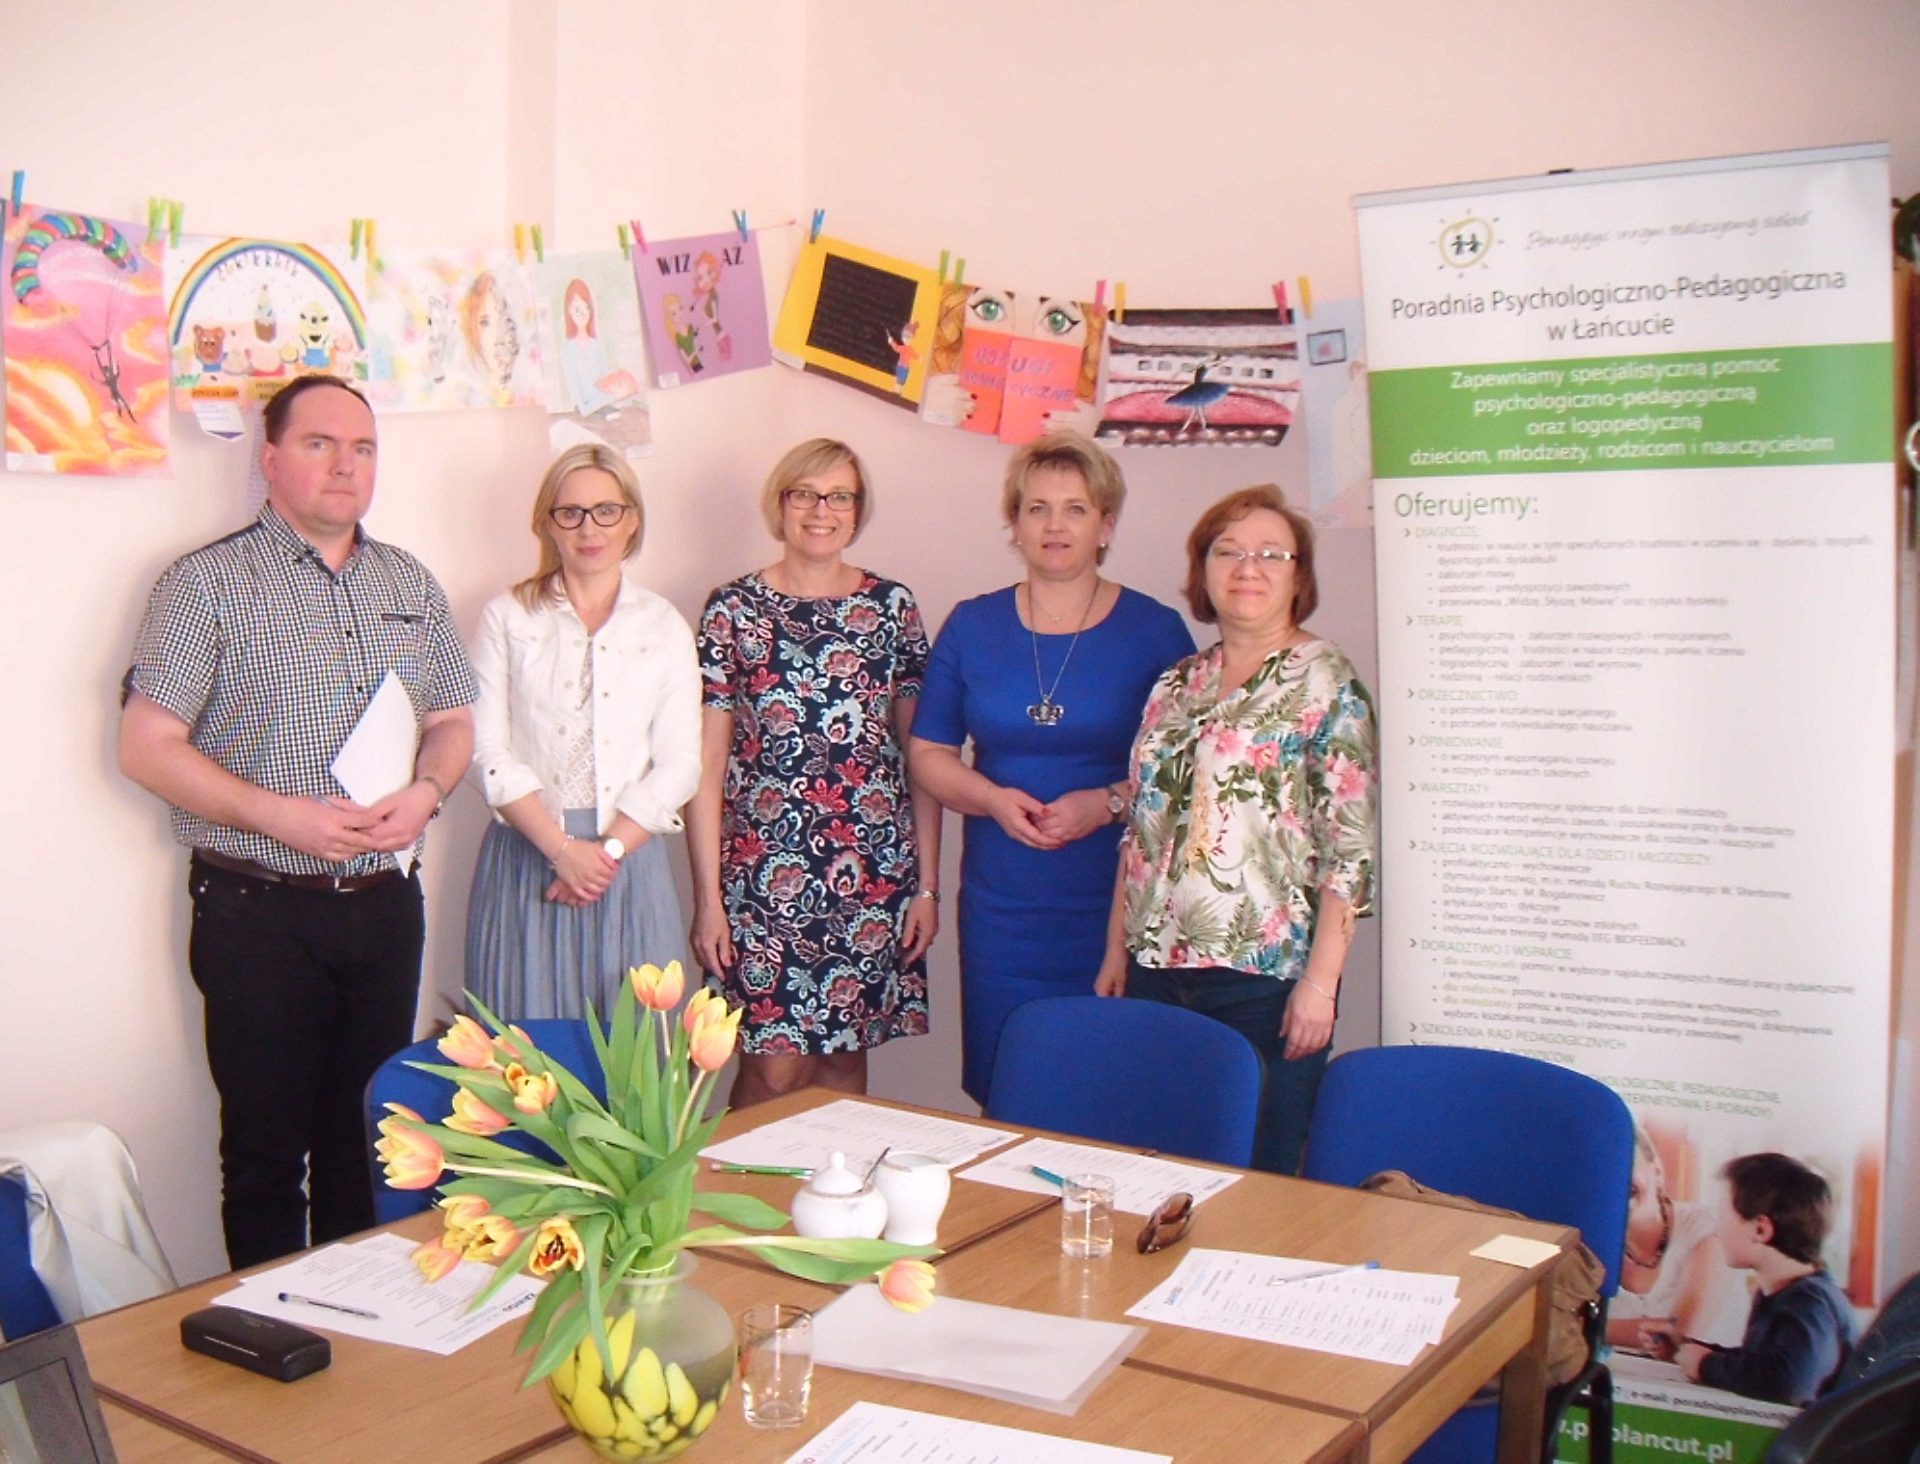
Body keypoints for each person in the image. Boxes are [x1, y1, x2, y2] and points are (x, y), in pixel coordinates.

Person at [118, 375, 476, 1268]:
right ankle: (271, 1340)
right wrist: (279, 816)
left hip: (384, 905)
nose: (345, 466)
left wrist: (428, 791)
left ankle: (360, 1330)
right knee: (266, 1158)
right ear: (270, 457)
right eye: (321, 444)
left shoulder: (408, 580)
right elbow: (146, 746)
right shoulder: (205, 583)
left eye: (363, 448)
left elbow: (452, 721)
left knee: (370, 1140)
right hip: (258, 911)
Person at [1095, 484, 1376, 1174]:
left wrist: (1322, 985)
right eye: (1228, 552)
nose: (1248, 568)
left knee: (1257, 1179)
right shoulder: (1176, 684)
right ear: (1203, 571)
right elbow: (1142, 830)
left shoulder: (1326, 682)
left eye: (1270, 554)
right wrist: (1115, 953)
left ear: (1299, 577)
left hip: (1264, 981)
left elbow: (1350, 850)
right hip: (1156, 972)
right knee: (1160, 1165)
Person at [909, 433, 1193, 1101]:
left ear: (1106, 525)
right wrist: (990, 798)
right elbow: (928, 754)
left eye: (1076, 509)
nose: (1055, 526)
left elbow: (1187, 773)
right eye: (1037, 508)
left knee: (1106, 1091)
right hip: (1002, 910)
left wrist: (1108, 802)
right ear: (1014, 522)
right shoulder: (972, 625)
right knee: (1008, 1087)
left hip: (1114, 909)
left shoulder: (1154, 630)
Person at [688, 439, 940, 1107]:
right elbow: (707, 765)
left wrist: (928, 889)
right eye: (804, 494)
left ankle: (833, 1180)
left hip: (872, 872)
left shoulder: (892, 608)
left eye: (839, 497)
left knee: (842, 1060)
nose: (820, 510)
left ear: (858, 510)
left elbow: (923, 758)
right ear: (780, 505)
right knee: (774, 1070)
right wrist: (709, 901)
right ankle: (742, 1181)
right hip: (764, 876)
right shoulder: (732, 610)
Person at [464, 445, 700, 1022]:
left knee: (636, 1057)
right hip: (529, 860)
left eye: (606, 511)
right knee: (524, 1055)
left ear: (632, 520)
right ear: (547, 522)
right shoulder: (506, 617)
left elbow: (681, 763)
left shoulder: (663, 625)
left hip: (628, 863)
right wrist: (561, 850)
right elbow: (481, 748)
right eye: (570, 513)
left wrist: (605, 854)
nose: (589, 529)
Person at [1667, 1152, 1857, 1405]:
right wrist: (1686, 1348)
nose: (1717, 1228)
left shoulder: (1810, 1302)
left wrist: (1706, 1365)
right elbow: (1762, 1365)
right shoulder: (1781, 1294)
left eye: (1723, 1216)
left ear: (1761, 1229)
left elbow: (1789, 1383)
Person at [1609, 1125, 1745, 1354]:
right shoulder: (1584, 1237)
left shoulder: (1708, 1228)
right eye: (1601, 1171)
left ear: (1657, 1171)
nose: (1614, 1179)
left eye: (1625, 1163)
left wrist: (1586, 1326)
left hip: (1700, 1376)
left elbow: (1676, 1335)